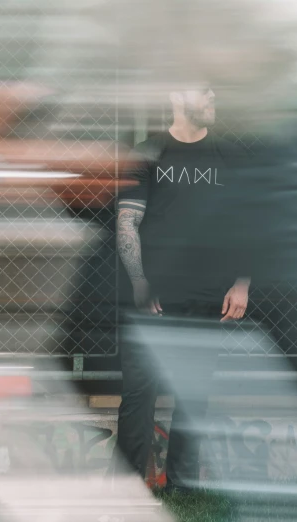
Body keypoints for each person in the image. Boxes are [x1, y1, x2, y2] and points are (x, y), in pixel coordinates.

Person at [112, 85, 250, 492]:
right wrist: (139, 281)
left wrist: (241, 284)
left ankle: (183, 487)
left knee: (194, 395)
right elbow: (126, 223)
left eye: (214, 90)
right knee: (139, 394)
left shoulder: (229, 156)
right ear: (176, 93)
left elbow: (245, 227)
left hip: (206, 296)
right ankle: (128, 489)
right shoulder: (148, 151)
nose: (212, 97)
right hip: (150, 298)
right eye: (203, 90)